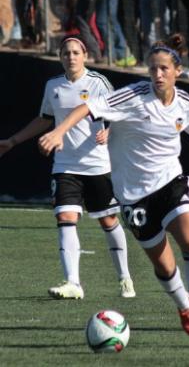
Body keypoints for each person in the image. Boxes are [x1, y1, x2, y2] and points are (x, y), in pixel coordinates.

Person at [38, 34, 189, 344]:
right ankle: (185, 308)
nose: (157, 75)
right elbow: (87, 108)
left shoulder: (185, 103)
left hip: (171, 183)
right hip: (134, 196)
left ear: (178, 72)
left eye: (163, 69)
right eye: (152, 69)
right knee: (164, 264)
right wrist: (59, 131)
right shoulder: (130, 96)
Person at [0, 35, 135, 300]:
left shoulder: (98, 83)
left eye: (76, 52)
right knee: (65, 219)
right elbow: (45, 119)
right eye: (66, 53)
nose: (71, 57)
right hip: (65, 165)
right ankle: (73, 282)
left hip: (98, 165)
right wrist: (13, 141)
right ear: (60, 57)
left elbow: (120, 113)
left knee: (109, 221)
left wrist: (110, 132)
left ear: (85, 55)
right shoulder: (53, 86)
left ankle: (125, 277)